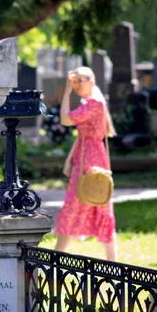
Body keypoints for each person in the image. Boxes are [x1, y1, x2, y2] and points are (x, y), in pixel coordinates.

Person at [54, 67, 118, 261]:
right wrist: (69, 160)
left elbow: (65, 120)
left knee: (94, 203)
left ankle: (56, 259)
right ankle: (56, 258)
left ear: (92, 81)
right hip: (86, 156)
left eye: (81, 81)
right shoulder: (89, 103)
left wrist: (66, 92)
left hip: (92, 159)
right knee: (81, 203)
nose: (77, 85)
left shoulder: (94, 104)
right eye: (75, 81)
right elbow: (81, 136)